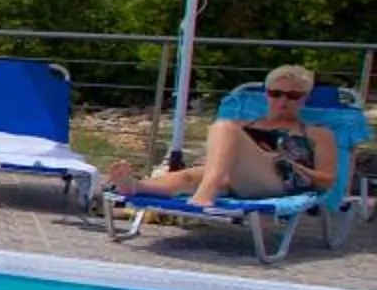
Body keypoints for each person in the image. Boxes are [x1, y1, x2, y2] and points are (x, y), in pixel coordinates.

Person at [103, 66, 338, 210]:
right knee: (192, 173)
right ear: (266, 95)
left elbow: (327, 181)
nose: (282, 100)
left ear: (304, 98)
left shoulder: (317, 133)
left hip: (279, 182)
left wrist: (290, 164)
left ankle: (206, 191)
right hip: (234, 180)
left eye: (292, 95)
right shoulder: (244, 126)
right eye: (275, 93)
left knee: (225, 128)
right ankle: (136, 186)